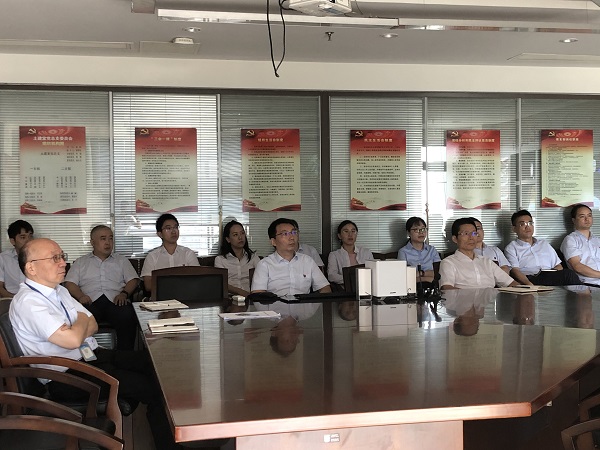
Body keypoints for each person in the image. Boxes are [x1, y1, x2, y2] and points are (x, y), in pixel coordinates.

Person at [9, 238, 182, 450]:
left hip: (89, 356)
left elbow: (93, 324)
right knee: (151, 388)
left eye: (62, 256)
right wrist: (81, 323)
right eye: (55, 258)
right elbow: (74, 338)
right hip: (67, 377)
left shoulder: (59, 291)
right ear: (31, 267)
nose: (63, 263)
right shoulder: (29, 302)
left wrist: (78, 326)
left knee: (154, 363)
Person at [64, 225, 140, 350]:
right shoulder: (81, 262)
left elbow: (133, 280)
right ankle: (86, 357)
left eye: (110, 238)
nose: (108, 242)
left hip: (116, 301)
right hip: (89, 302)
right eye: (103, 239)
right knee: (78, 319)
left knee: (127, 315)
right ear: (92, 242)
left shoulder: (121, 260)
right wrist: (80, 296)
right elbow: (70, 283)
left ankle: (125, 356)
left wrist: (124, 294)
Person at [252, 218, 331, 297]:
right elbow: (258, 294)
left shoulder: (307, 261)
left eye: (294, 232)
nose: (292, 237)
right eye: (285, 234)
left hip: (303, 304)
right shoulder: (264, 264)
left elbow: (325, 288)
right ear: (273, 242)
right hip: (276, 304)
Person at [504, 209, 581, 286]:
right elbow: (515, 271)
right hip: (530, 279)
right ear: (514, 229)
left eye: (530, 223)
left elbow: (558, 266)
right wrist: (529, 285)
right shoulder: (511, 248)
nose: (528, 227)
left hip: (549, 276)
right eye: (522, 224)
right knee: (569, 274)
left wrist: (553, 273)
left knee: (568, 274)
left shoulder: (544, 244)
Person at [440, 217, 518, 290]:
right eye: (466, 233)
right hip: (463, 300)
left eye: (474, 233)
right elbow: (447, 288)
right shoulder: (448, 263)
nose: (471, 237)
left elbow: (510, 283)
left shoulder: (486, 262)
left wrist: (523, 290)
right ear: (455, 239)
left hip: (490, 299)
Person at [140, 213, 199, 293]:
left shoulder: (188, 253)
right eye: (168, 228)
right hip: (161, 297)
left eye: (175, 227)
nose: (173, 231)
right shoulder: (152, 256)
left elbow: (197, 280)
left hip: (186, 295)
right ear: (160, 234)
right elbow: (148, 285)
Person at [214, 220, 260, 296]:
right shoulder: (220, 260)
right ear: (228, 239)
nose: (240, 237)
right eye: (235, 235)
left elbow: (262, 278)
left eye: (242, 233)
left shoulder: (253, 257)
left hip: (251, 297)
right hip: (229, 298)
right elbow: (221, 283)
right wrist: (242, 293)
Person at [560, 204, 600, 286]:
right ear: (574, 220)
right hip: (588, 284)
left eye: (589, 215)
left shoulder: (597, 240)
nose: (587, 219)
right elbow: (577, 266)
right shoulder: (570, 240)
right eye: (582, 216)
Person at [327, 220, 373, 286]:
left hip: (366, 286)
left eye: (353, 231)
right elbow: (331, 276)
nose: (350, 235)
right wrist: (351, 280)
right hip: (346, 288)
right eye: (346, 231)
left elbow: (374, 272)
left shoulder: (366, 252)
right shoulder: (334, 255)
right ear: (339, 236)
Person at [397, 217, 440, 283]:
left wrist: (418, 274)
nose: (421, 232)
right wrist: (428, 276)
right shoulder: (403, 252)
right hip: (413, 287)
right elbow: (404, 276)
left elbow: (439, 273)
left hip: (433, 287)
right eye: (416, 230)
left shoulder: (432, 250)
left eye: (423, 229)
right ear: (408, 233)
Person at [0, 220, 34, 298]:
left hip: (35, 299)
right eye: (23, 237)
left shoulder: (41, 257)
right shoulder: (3, 258)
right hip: (11, 298)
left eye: (30, 236)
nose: (28, 240)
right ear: (13, 241)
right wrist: (16, 300)